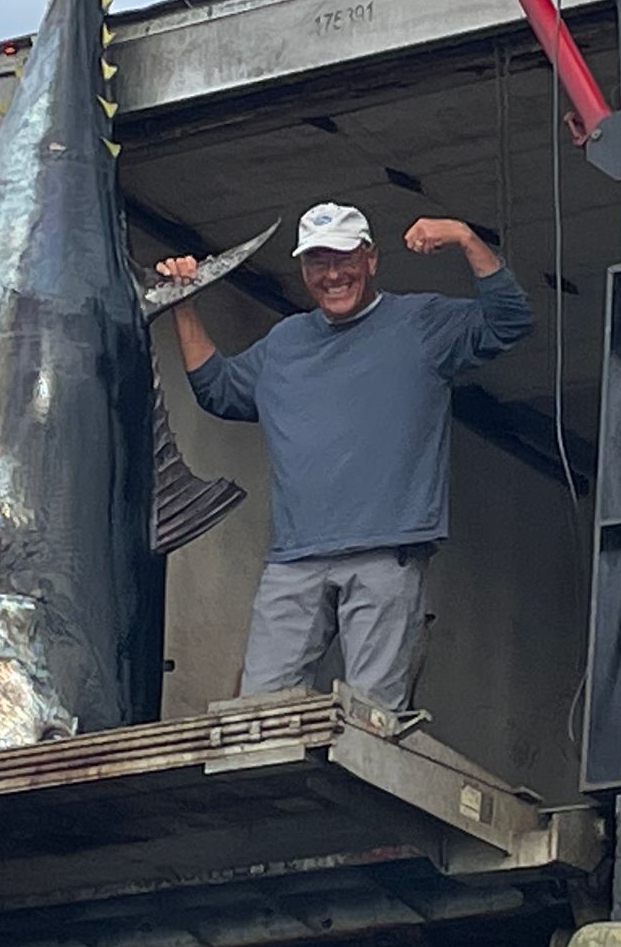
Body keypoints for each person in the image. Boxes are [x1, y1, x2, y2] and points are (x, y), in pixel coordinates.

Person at [156, 202, 534, 710]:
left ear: (371, 259)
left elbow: (510, 320)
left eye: (344, 258)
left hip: (386, 554)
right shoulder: (286, 342)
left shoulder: (421, 323)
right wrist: (184, 300)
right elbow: (218, 390)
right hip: (294, 559)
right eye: (317, 262)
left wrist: (465, 237)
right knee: (254, 721)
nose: (332, 274)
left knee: (369, 724)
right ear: (304, 270)